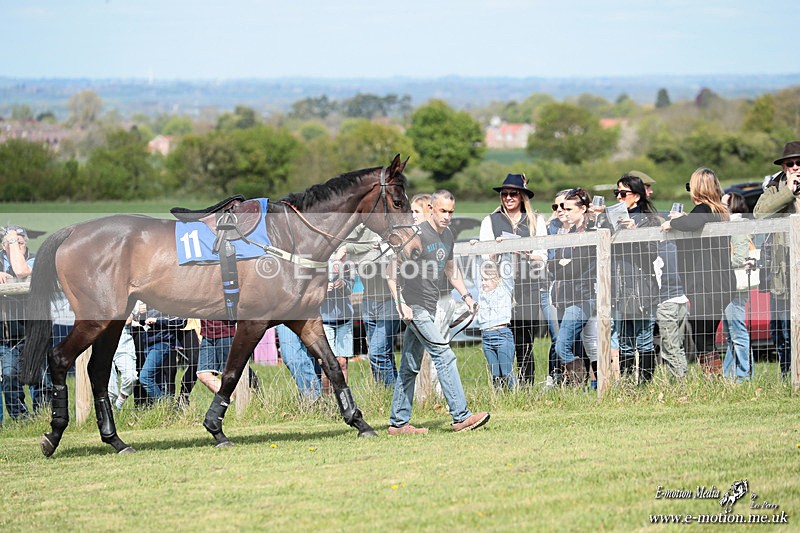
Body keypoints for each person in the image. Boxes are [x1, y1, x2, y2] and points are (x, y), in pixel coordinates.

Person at [387, 190, 490, 434]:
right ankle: (461, 416)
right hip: (415, 306)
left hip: (430, 305)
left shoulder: (448, 236)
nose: (447, 216)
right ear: (432, 208)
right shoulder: (415, 235)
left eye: (450, 212)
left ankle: (398, 423)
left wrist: (466, 297)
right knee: (444, 355)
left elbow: (451, 270)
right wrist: (400, 303)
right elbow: (391, 272)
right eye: (442, 211)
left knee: (410, 365)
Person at [661, 168, 735, 376]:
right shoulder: (719, 211)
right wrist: (684, 219)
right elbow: (696, 222)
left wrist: (672, 222)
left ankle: (714, 379)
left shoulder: (703, 209)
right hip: (720, 282)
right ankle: (714, 377)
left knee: (703, 336)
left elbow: (693, 221)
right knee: (706, 334)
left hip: (707, 283)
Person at [477, 173, 547, 386]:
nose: (508, 198)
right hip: (500, 288)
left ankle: (526, 386)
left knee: (525, 340)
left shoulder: (536, 221)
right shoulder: (490, 221)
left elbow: (542, 256)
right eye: (504, 194)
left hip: (528, 284)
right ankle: (502, 385)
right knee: (500, 337)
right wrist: (498, 250)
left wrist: (522, 253)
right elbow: (484, 257)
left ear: (522, 196)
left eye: (513, 194)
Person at [606, 174, 661, 382]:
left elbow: (652, 254)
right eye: (616, 193)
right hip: (619, 287)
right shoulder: (614, 221)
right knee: (624, 340)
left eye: (623, 193)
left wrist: (635, 233)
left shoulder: (649, 221)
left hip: (642, 287)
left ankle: (645, 384)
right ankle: (628, 384)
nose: (618, 197)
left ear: (636, 196)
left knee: (644, 339)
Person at [753, 140, 800, 377]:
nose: (795, 167)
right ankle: (788, 376)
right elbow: (759, 213)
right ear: (783, 167)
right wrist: (787, 192)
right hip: (782, 270)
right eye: (789, 163)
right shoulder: (775, 187)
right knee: (782, 329)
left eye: (799, 163)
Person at [549, 188, 595, 384]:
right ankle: (589, 383)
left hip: (585, 295)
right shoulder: (572, 233)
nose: (564, 212)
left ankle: (582, 379)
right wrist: (561, 265)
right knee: (590, 345)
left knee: (564, 346)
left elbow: (575, 269)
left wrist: (562, 266)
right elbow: (552, 264)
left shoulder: (591, 232)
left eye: (568, 209)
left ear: (583, 209)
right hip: (572, 295)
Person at [346, 224, 401, 386]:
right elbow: (344, 244)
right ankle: (388, 391)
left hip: (389, 301)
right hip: (368, 301)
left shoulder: (391, 227)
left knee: (377, 353)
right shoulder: (361, 229)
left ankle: (392, 395)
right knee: (384, 353)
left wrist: (377, 247)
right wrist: (363, 230)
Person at [1, 225, 40, 421]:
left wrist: (11, 239)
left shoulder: (35, 259)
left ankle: (44, 414)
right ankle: (20, 418)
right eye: (13, 241)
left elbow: (22, 271)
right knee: (9, 375)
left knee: (42, 378)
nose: (18, 244)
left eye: (21, 241)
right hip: (9, 336)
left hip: (35, 332)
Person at [721, 192, 755, 381]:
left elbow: (741, 257)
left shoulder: (738, 227)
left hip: (736, 285)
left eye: (724, 204)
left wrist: (720, 261)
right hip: (731, 284)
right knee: (731, 333)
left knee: (737, 331)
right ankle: (729, 375)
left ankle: (743, 375)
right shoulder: (732, 226)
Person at [475, 257, 516, 389]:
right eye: (482, 280)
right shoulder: (481, 293)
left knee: (506, 372)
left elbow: (507, 269)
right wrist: (475, 250)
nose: (483, 283)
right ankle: (498, 399)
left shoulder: (503, 289)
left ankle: (514, 397)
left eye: (486, 279)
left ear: (497, 279)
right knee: (495, 375)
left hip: (502, 335)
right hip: (486, 337)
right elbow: (477, 269)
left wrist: (503, 249)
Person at [134, 303, 186, 402]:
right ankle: (165, 409)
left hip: (163, 342)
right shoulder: (148, 300)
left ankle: (162, 405)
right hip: (147, 342)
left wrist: (157, 321)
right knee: (158, 381)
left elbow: (181, 321)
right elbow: (142, 323)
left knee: (145, 377)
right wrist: (142, 314)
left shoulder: (170, 300)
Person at [320, 250, 354, 394]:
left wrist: (343, 284)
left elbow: (350, 287)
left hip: (344, 320)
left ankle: (344, 399)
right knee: (328, 364)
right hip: (325, 321)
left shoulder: (347, 264)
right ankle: (327, 401)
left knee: (342, 363)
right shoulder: (319, 261)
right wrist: (322, 289)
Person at [275, 324, 322, 402]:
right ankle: (311, 397)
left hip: (309, 316)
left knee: (313, 359)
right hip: (284, 316)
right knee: (291, 358)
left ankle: (314, 398)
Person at [195, 319, 236, 394]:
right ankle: (227, 397)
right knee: (202, 373)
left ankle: (252, 393)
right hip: (206, 335)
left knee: (231, 374)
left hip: (226, 333)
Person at [108, 315, 139, 410]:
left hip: (124, 345)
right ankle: (111, 413)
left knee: (131, 377)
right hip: (104, 346)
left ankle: (118, 405)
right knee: (110, 390)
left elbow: (128, 319)